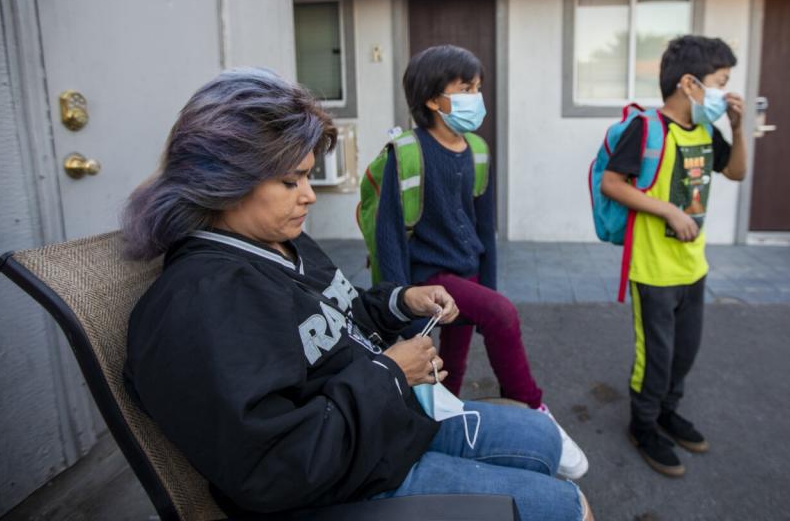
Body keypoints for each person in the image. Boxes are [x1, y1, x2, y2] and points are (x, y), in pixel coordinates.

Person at [121, 68, 593, 520]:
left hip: (387, 427)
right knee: (571, 508)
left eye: (307, 176)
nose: (309, 195)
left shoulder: (281, 242)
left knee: (544, 441)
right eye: (290, 181)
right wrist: (390, 374)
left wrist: (402, 300)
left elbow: (339, 316)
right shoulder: (202, 303)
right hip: (347, 487)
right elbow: (274, 467)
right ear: (224, 181)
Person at [373, 45, 588, 479]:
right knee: (499, 317)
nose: (477, 96)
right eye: (465, 88)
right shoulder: (407, 152)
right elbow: (390, 237)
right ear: (433, 99)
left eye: (478, 87)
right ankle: (533, 407)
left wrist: (489, 284)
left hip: (467, 271)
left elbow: (484, 224)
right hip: (428, 278)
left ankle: (444, 435)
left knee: (454, 367)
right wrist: (400, 308)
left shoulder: (477, 149)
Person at [600, 36, 747, 478]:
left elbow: (736, 171)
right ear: (689, 83)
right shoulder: (646, 129)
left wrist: (740, 129)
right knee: (656, 357)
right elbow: (613, 182)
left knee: (685, 352)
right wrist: (667, 209)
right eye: (720, 83)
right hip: (654, 270)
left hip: (693, 267)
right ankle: (642, 424)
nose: (726, 92)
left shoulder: (706, 131)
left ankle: (667, 413)